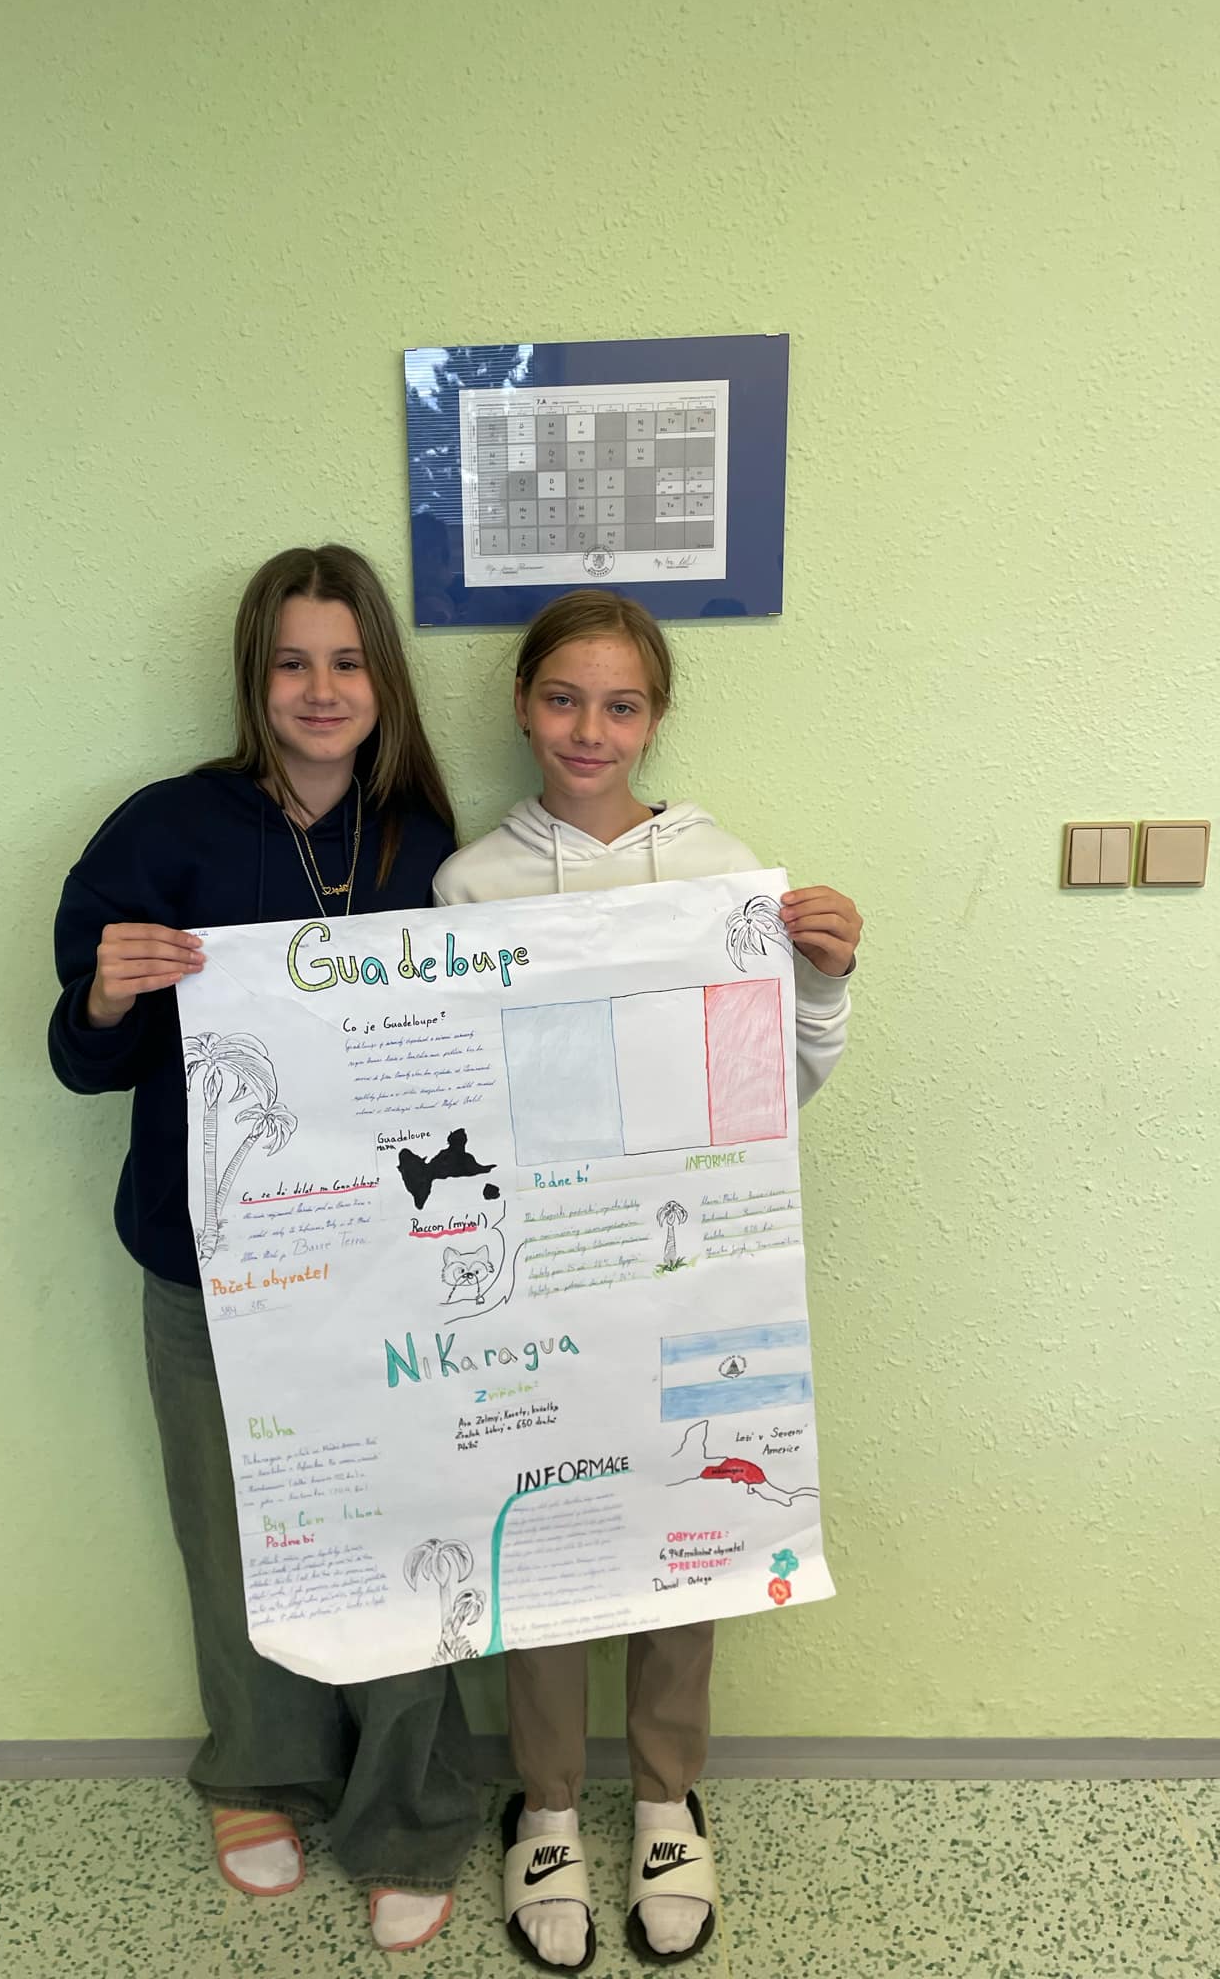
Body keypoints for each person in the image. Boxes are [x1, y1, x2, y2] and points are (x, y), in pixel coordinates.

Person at [48, 546, 479, 1954]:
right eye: (293, 662)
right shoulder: (165, 829)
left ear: (383, 679)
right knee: (233, 1525)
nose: (320, 689)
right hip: (205, 1257)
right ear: (256, 676)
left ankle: (410, 1808)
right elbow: (80, 1060)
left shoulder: (420, 839)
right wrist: (107, 996)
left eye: (347, 661)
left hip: (382, 1261)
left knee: (400, 1520)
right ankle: (258, 1773)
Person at [432, 589, 862, 1971]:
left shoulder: (727, 870)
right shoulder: (468, 887)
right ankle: (549, 1804)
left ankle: (669, 1796)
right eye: (564, 699)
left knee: (691, 1516)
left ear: (655, 719)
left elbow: (783, 1084)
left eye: (621, 705)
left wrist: (825, 978)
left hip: (695, 1279)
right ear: (522, 707)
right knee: (546, 1529)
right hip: (545, 1282)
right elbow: (446, 1094)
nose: (590, 729)